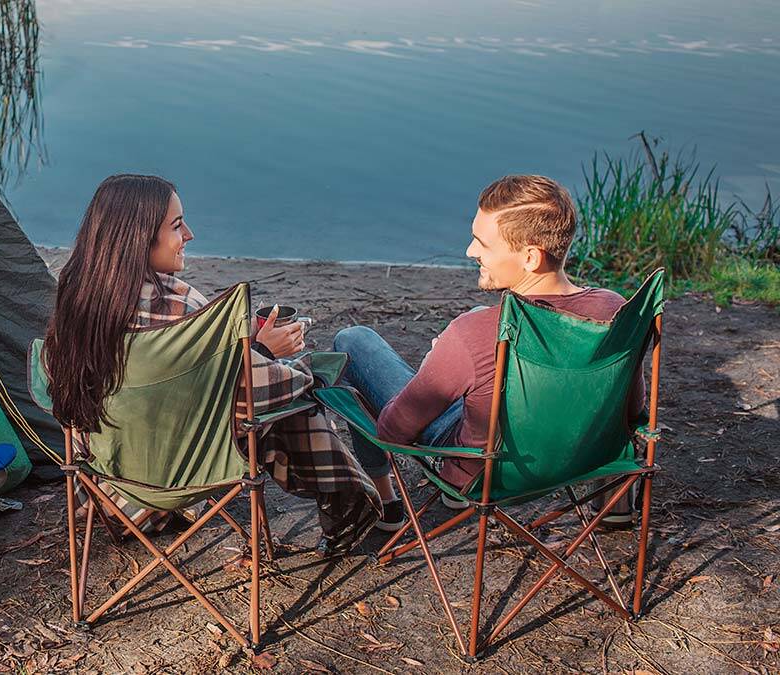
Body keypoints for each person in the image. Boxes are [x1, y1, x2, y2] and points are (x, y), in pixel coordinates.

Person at [43, 174, 403, 558]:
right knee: (294, 398)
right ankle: (347, 504)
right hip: (186, 479)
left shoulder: (77, 303)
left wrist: (236, 346)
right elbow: (253, 389)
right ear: (139, 237)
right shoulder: (179, 308)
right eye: (177, 225)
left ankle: (348, 500)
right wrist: (272, 355)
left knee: (238, 385)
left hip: (112, 492)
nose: (190, 235)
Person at [333, 175, 643, 525]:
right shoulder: (616, 311)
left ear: (530, 257)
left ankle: (385, 504)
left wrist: (434, 372)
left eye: (483, 243)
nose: (470, 251)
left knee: (353, 341)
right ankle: (614, 506)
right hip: (586, 458)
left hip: (484, 475)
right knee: (478, 346)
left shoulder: (475, 335)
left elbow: (392, 432)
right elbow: (630, 412)